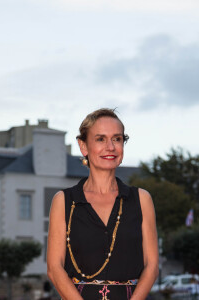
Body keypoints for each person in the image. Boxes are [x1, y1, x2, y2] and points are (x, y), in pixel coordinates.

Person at [47, 108, 159, 300]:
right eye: (100, 139)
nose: (110, 147)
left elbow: (152, 265)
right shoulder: (63, 201)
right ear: (83, 146)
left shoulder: (142, 200)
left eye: (117, 139)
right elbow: (54, 268)